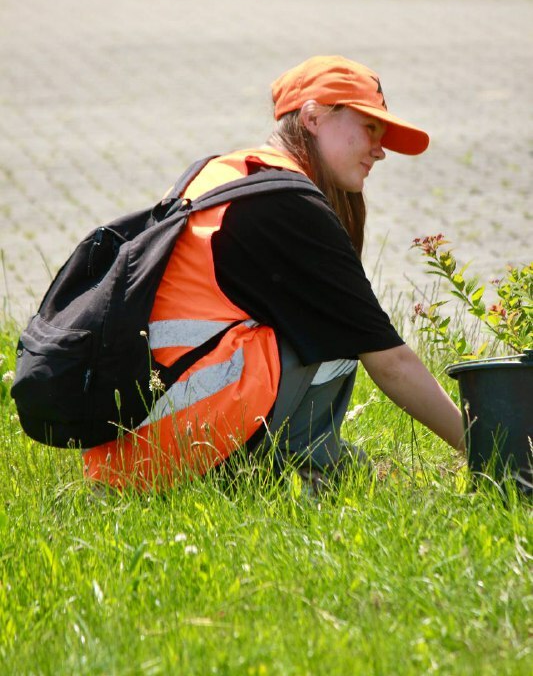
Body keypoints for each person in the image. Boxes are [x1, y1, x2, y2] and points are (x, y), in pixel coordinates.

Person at [83, 55, 465, 489]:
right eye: (369, 128)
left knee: (322, 320)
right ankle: (300, 472)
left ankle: (301, 463)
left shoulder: (223, 172)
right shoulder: (290, 204)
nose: (379, 150)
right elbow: (391, 361)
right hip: (171, 450)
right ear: (314, 117)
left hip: (126, 444)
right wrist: (487, 451)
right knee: (339, 330)